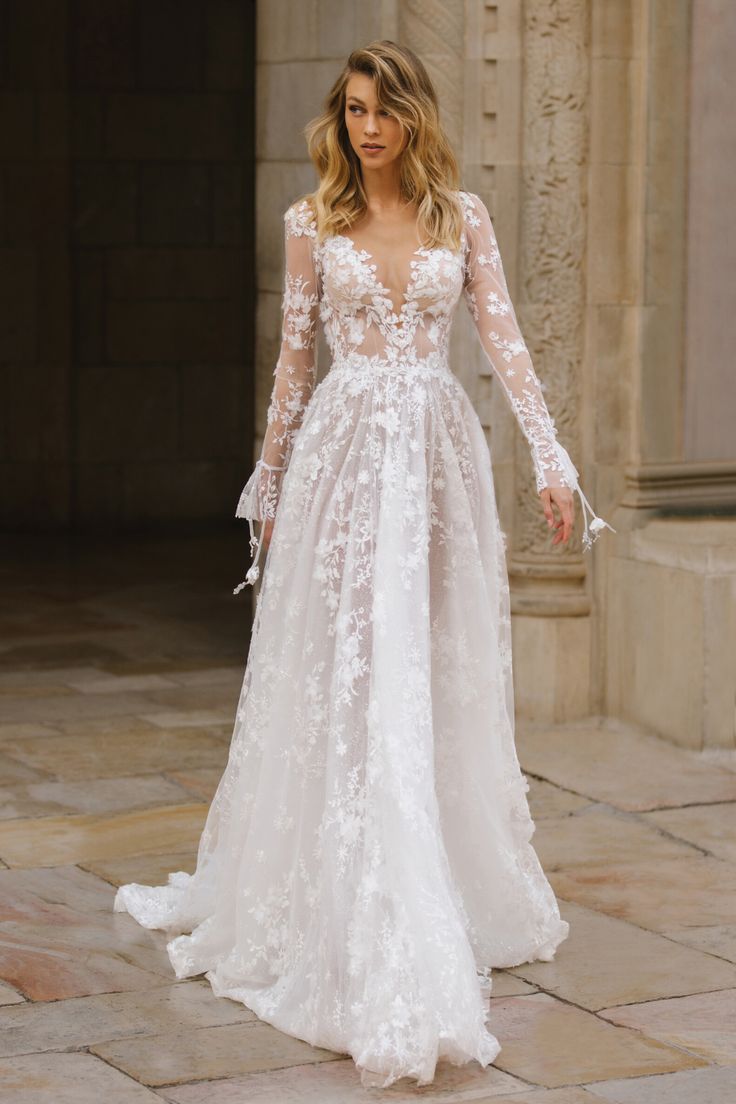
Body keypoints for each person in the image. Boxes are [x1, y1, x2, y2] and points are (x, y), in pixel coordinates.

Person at [114, 40, 614, 1090]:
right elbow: (296, 365)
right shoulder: (312, 223)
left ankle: (429, 870)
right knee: (348, 664)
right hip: (343, 463)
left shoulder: (460, 217)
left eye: (384, 109)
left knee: (421, 657)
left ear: (413, 115)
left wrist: (553, 462)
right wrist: (269, 486)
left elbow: (505, 342)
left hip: (434, 460)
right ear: (337, 119)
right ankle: (349, 881)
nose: (368, 127)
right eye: (352, 110)